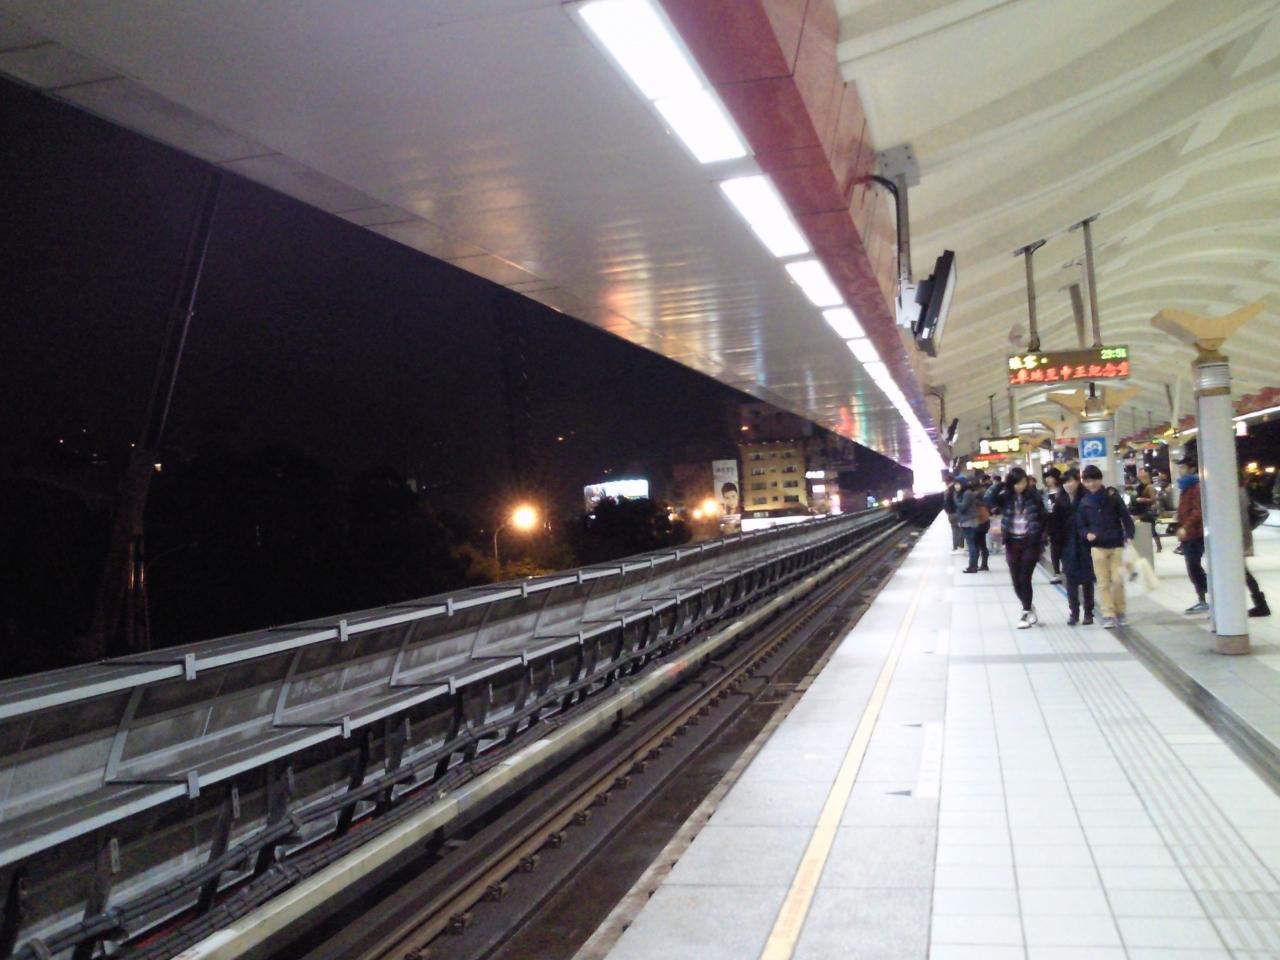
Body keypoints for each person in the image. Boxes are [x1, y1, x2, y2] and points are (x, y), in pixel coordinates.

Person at [985, 466, 1047, 627]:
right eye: (1017, 483)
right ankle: (1029, 607)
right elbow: (988, 497)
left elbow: (1043, 516)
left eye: (1023, 482)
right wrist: (1000, 484)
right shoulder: (1006, 497)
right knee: (1016, 581)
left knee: (1025, 578)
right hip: (1012, 542)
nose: (1021, 486)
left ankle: (1025, 612)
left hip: (1030, 542)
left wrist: (1041, 536)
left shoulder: (1034, 496)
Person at [1078, 464, 1135, 628]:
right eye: (1087, 481)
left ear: (1100, 479)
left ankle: (1120, 611)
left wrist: (1129, 535)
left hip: (1116, 544)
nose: (1091, 484)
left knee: (1117, 581)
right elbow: (1081, 525)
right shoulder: (1084, 502)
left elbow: (1125, 517)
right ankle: (1108, 614)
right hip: (1097, 547)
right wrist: (1087, 534)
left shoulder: (1112, 496)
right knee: (1102, 583)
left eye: (1094, 480)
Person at [1060, 468, 1095, 625]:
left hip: (1085, 544)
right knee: (1071, 581)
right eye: (1065, 482)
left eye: (1070, 481)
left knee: (1087, 580)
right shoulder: (1060, 500)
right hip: (1068, 545)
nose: (1067, 485)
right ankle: (1074, 612)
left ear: (1077, 481)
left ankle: (1089, 612)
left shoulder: (1086, 498)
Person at [1175, 455, 1208, 614]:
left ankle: (1205, 598)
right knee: (1192, 566)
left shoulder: (1196, 487)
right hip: (1189, 534)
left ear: (1191, 469)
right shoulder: (1186, 487)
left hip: (1195, 534)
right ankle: (1204, 597)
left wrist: (1186, 527)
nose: (1180, 471)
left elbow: (1197, 511)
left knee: (1193, 566)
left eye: (1182, 467)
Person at [1241, 474, 1271, 617]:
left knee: (1241, 572)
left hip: (1236, 538)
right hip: (1240, 537)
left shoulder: (1236, 493)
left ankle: (1261, 605)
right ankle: (1261, 604)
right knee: (1242, 572)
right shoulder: (1241, 491)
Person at [945, 476, 981, 572]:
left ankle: (973, 566)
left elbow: (962, 508)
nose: (956, 486)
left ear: (963, 484)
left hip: (969, 521)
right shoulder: (964, 493)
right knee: (971, 544)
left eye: (958, 484)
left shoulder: (967, 493)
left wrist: (955, 498)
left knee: (971, 544)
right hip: (966, 521)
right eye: (955, 484)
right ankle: (973, 565)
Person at [1042, 467, 1067, 583]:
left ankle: (1067, 569)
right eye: (1047, 477)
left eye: (1050, 477)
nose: (1048, 480)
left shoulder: (1063, 491)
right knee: (1054, 550)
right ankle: (1056, 572)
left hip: (1064, 524)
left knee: (1065, 549)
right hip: (1051, 525)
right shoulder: (1045, 493)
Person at [1134, 468, 1161, 553]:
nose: (1142, 477)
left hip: (1148, 511)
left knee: (1151, 530)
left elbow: (1153, 499)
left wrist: (1142, 500)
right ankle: (1154, 547)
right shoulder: (1141, 487)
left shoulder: (1149, 487)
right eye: (1141, 476)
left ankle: (1158, 547)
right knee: (1147, 530)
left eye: (1144, 476)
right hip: (1143, 511)